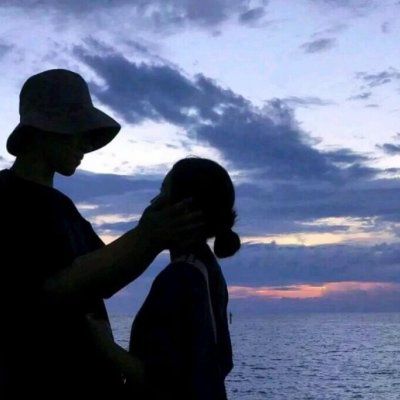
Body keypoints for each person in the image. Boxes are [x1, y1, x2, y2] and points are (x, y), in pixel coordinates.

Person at [0, 69, 203, 398]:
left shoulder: (64, 209)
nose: (85, 143)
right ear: (42, 132)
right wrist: (147, 236)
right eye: (75, 131)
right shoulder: (7, 198)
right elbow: (46, 289)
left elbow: (105, 280)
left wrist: (155, 238)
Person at [88, 157, 240, 400]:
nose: (153, 203)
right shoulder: (208, 269)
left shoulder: (179, 278)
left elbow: (161, 382)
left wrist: (103, 344)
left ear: (183, 209)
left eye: (162, 193)